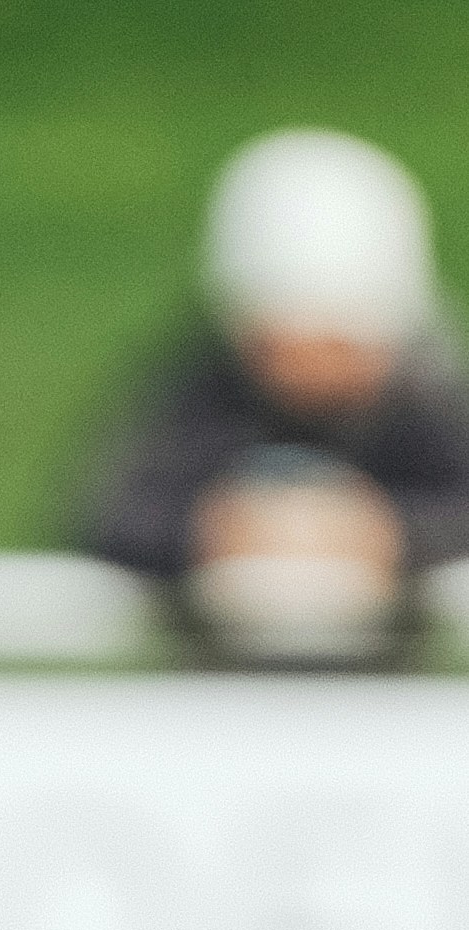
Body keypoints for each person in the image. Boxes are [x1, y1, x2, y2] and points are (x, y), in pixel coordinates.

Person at [77, 127, 469, 666]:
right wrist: (212, 528)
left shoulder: (425, 403)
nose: (315, 371)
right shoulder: (203, 391)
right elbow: (107, 518)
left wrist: (390, 535)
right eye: (287, 344)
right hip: (217, 692)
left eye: (342, 345)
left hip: (386, 696)